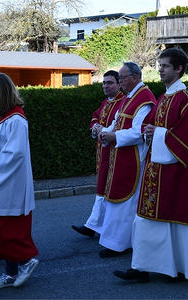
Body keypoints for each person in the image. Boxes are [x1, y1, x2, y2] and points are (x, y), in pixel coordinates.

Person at [113, 48, 188, 285]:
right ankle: (141, 267)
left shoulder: (185, 98)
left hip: (175, 172)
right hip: (156, 171)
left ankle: (178, 268)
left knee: (172, 221)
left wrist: (160, 134)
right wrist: (149, 131)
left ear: (178, 69)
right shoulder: (165, 96)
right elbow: (151, 123)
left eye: (165, 65)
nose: (160, 69)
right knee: (146, 220)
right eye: (160, 65)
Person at [0, 73, 39, 289]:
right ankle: (10, 274)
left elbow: (16, 154)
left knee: (2, 229)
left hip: (11, 184)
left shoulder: (16, 120)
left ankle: (25, 261)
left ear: (0, 93)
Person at [96, 62, 156, 258]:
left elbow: (139, 131)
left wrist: (115, 137)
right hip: (119, 153)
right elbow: (116, 121)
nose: (120, 82)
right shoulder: (129, 97)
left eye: (122, 78)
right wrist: (105, 132)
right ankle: (115, 241)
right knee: (117, 199)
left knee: (127, 202)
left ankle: (120, 243)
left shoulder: (144, 98)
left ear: (135, 77)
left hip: (133, 156)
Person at [72, 70, 124, 237]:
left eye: (109, 83)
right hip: (102, 152)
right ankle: (95, 225)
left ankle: (95, 225)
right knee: (102, 188)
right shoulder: (105, 102)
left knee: (106, 189)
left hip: (116, 152)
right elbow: (95, 116)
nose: (105, 86)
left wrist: (104, 130)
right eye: (104, 83)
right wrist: (95, 126)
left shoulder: (123, 102)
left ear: (119, 84)